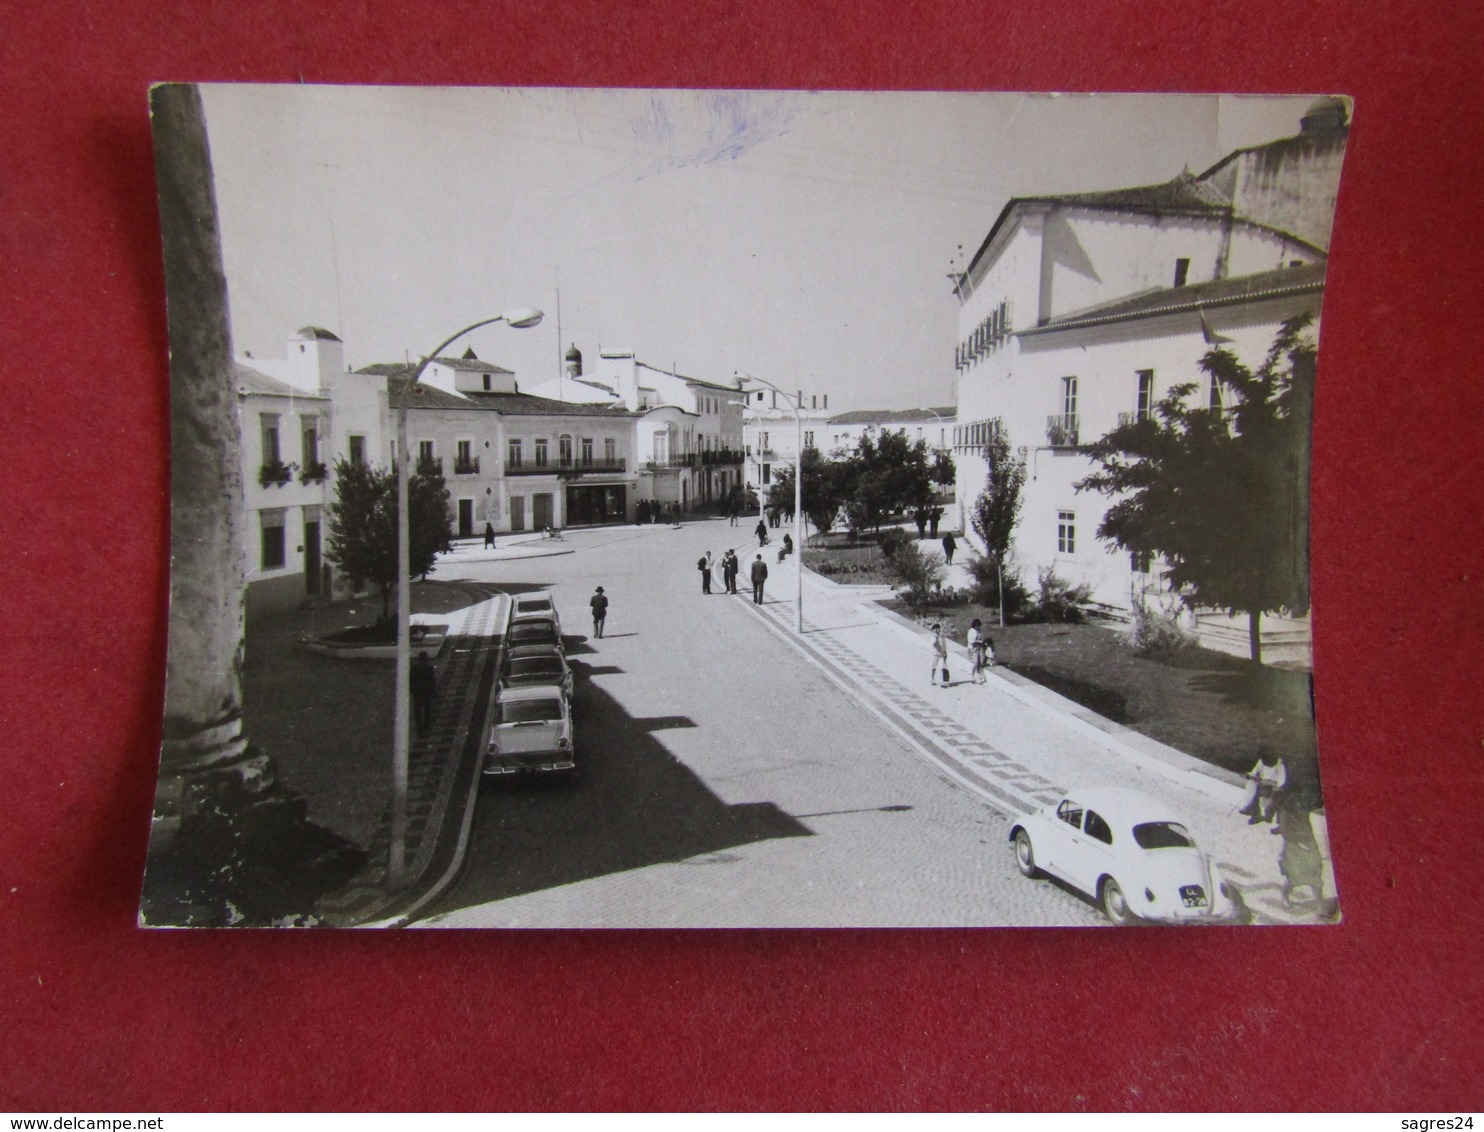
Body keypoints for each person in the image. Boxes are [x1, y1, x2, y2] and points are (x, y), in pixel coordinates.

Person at [1240, 750, 1287, 825]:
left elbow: (1281, 783)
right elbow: (1254, 773)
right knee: (1252, 784)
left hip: (1273, 788)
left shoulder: (1280, 765)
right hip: (1261, 784)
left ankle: (1267, 815)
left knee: (1275, 794)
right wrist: (1248, 776)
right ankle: (1252, 810)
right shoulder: (1262, 761)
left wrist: (1268, 783)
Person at [410, 650, 437, 735]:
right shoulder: (429, 668)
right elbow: (432, 681)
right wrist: (434, 692)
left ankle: (419, 727)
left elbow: (411, 680)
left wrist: (411, 689)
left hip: (417, 691)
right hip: (426, 690)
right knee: (427, 709)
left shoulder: (414, 668)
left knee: (417, 709)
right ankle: (426, 725)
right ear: (426, 658)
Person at [966, 618, 987, 684]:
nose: (978, 627)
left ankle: (978, 676)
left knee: (979, 663)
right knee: (975, 663)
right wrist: (978, 642)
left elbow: (982, 638)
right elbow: (971, 641)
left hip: (979, 648)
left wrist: (982, 643)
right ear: (975, 625)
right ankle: (972, 676)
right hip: (973, 649)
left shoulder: (979, 631)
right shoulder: (971, 631)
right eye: (977, 626)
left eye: (979, 626)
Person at [929, 623, 949, 687]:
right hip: (935, 654)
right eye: (936, 629)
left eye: (939, 629)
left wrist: (945, 651)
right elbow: (933, 643)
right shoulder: (933, 636)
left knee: (942, 668)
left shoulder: (942, 636)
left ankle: (943, 681)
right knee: (933, 667)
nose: (938, 630)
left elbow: (944, 644)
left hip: (941, 654)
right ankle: (932, 679)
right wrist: (936, 636)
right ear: (934, 630)